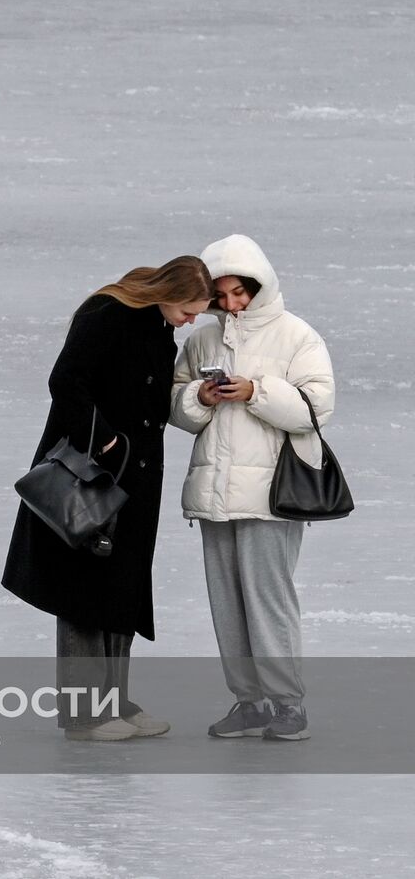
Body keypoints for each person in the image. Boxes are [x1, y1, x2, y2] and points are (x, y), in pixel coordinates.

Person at [2, 256, 213, 741]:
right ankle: (84, 713)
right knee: (83, 589)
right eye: (189, 310)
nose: (191, 321)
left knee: (123, 588)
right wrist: (106, 440)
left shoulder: (157, 327)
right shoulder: (108, 313)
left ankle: (113, 700)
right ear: (168, 291)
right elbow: (66, 382)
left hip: (135, 483)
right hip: (90, 474)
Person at [170, 234, 334, 742]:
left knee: (268, 600)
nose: (232, 303)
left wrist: (256, 392)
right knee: (227, 602)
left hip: (273, 495)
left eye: (241, 292)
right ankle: (250, 702)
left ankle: (289, 704)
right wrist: (200, 395)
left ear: (261, 285)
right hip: (215, 492)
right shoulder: (202, 341)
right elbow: (177, 409)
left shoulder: (296, 335)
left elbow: (316, 408)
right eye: (222, 295)